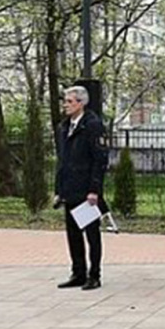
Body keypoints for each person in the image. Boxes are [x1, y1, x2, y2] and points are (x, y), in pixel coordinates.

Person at [53, 85, 107, 290]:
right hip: (70, 189)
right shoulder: (64, 127)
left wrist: (94, 190)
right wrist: (58, 189)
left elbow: (99, 159)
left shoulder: (92, 125)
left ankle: (94, 275)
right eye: (65, 101)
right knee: (73, 234)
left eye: (70, 101)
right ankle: (78, 272)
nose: (66, 105)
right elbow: (62, 161)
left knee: (91, 234)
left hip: (86, 191)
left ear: (81, 103)